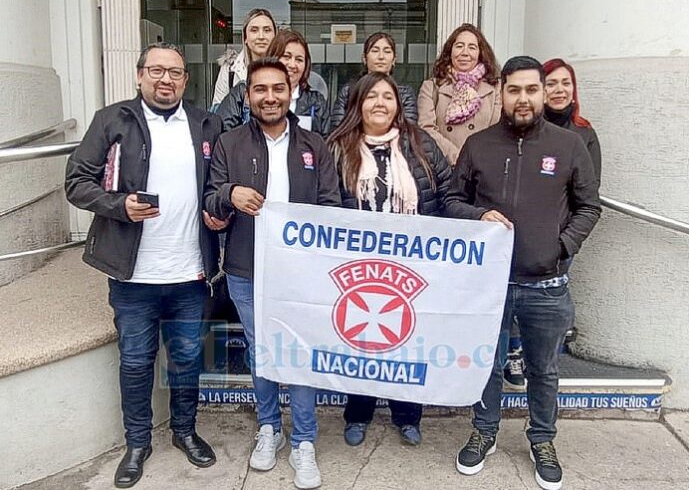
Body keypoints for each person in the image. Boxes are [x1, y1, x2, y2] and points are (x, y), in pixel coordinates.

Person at [65, 43, 227, 488]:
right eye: (156, 70)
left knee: (188, 358)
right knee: (136, 361)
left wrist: (217, 212)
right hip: (133, 274)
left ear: (185, 80)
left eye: (174, 72)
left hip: (191, 272)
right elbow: (76, 182)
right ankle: (137, 443)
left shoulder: (205, 123)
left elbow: (216, 185)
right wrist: (119, 205)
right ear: (139, 77)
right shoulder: (112, 120)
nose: (165, 79)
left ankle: (185, 432)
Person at [445, 56, 601, 490]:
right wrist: (478, 216)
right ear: (502, 94)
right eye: (514, 90)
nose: (524, 98)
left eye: (532, 89)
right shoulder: (479, 145)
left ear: (541, 92)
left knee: (543, 368)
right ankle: (485, 430)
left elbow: (589, 206)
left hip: (545, 283)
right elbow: (452, 201)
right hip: (488, 285)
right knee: (487, 364)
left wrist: (562, 246)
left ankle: (542, 439)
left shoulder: (569, 145)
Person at [204, 57, 341, 490]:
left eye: (277, 88)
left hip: (301, 273)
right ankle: (270, 428)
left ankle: (303, 439)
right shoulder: (229, 144)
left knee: (298, 355)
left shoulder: (315, 145)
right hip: (247, 269)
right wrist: (229, 194)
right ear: (248, 96)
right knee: (262, 351)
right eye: (260, 89)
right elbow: (210, 200)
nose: (269, 97)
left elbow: (332, 207)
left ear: (291, 91)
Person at [327, 72, 451, 447]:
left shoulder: (422, 144)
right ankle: (358, 413)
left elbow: (447, 195)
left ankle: (407, 415)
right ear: (358, 104)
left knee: (407, 338)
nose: (380, 103)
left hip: (411, 266)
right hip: (357, 268)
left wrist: (477, 223)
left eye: (388, 97)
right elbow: (322, 205)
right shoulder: (336, 148)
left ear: (398, 105)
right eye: (372, 96)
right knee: (360, 340)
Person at [503, 58, 604, 390]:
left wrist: (563, 243)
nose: (559, 90)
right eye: (552, 84)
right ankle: (514, 354)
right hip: (513, 247)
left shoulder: (581, 136)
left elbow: (588, 197)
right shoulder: (518, 132)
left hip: (557, 240)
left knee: (544, 326)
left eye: (566, 83)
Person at [217, 29, 330, 136]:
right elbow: (222, 136)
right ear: (273, 57)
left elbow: (326, 144)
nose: (292, 64)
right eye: (286, 57)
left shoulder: (317, 102)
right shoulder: (242, 94)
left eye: (299, 59)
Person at [417, 23, 501, 165]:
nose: (465, 53)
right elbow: (426, 129)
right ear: (450, 52)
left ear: (480, 53)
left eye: (472, 47)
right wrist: (458, 157)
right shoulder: (431, 87)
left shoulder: (496, 88)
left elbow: (497, 130)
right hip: (445, 167)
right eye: (459, 46)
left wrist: (474, 160)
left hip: (482, 166)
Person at [330, 31, 418, 131]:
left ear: (394, 60)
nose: (381, 57)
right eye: (375, 51)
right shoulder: (348, 91)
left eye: (387, 51)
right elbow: (337, 130)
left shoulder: (405, 94)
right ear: (364, 58)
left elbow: (409, 132)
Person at [211, 8, 276, 107]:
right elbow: (217, 115)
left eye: (267, 30)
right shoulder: (229, 70)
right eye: (254, 30)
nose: (261, 36)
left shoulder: (287, 68)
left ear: (275, 36)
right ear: (245, 38)